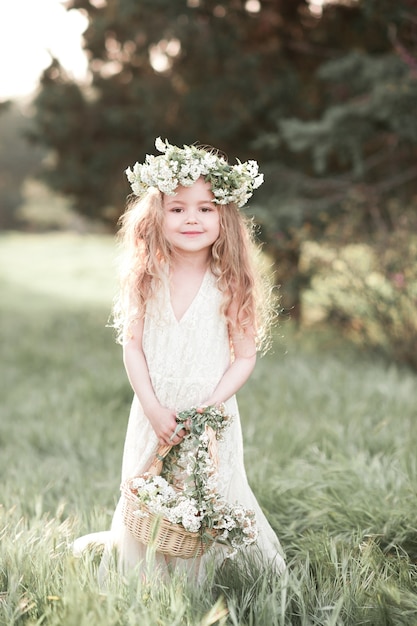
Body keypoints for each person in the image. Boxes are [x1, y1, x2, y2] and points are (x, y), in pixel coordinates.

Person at [73, 137, 286, 582]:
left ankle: (213, 578)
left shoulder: (231, 280)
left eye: (206, 208)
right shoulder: (146, 276)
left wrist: (212, 404)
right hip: (155, 408)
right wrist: (151, 406)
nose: (192, 217)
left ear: (224, 217)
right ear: (157, 216)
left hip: (210, 411)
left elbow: (244, 357)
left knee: (210, 491)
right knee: (150, 492)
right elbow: (132, 346)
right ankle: (145, 577)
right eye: (178, 208)